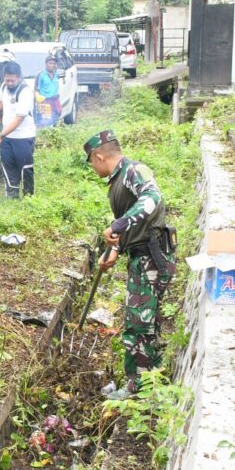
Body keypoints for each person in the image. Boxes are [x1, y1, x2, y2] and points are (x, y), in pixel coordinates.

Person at [84, 130, 176, 395]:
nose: (92, 167)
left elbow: (152, 197)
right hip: (141, 256)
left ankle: (137, 388)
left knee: (138, 325)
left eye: (92, 161)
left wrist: (121, 223)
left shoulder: (135, 171)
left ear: (100, 156)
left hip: (152, 259)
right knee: (146, 322)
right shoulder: (119, 179)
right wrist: (116, 249)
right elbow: (137, 224)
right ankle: (151, 380)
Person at [0, 62, 36, 198]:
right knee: (8, 166)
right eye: (7, 79)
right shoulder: (4, 86)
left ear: (20, 77)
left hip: (23, 137)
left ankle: (28, 198)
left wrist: (1, 135)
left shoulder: (25, 91)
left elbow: (18, 120)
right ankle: (12, 197)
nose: (9, 83)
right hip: (8, 137)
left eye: (12, 80)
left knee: (24, 168)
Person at [34, 55, 62, 129]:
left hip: (55, 101)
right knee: (45, 122)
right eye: (50, 63)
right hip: (45, 102)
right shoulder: (41, 75)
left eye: (54, 63)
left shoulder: (56, 74)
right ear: (46, 64)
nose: (52, 65)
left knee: (56, 119)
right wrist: (38, 98)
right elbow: (36, 89)